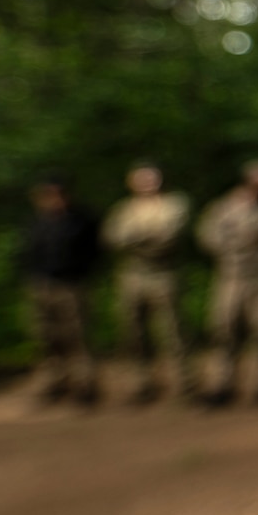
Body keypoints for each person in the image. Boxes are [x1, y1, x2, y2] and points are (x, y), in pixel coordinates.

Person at [195, 159, 258, 407]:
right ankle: (221, 384)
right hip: (230, 277)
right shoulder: (225, 205)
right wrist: (228, 245)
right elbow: (206, 233)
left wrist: (235, 237)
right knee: (223, 329)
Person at [100, 161, 191, 403]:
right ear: (131, 183)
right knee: (134, 333)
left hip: (164, 275)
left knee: (173, 331)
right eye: (141, 179)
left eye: (152, 179)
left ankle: (185, 383)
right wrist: (147, 235)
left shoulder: (174, 204)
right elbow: (112, 238)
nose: (148, 184)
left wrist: (135, 237)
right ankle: (142, 384)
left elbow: (168, 237)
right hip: (131, 278)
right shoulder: (124, 209)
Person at [20, 174, 102, 406]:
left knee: (77, 337)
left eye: (56, 193)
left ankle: (85, 386)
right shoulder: (37, 223)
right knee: (46, 337)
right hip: (41, 286)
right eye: (46, 194)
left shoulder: (81, 220)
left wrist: (83, 274)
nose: (51, 199)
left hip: (72, 285)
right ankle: (54, 383)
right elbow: (27, 253)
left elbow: (95, 251)